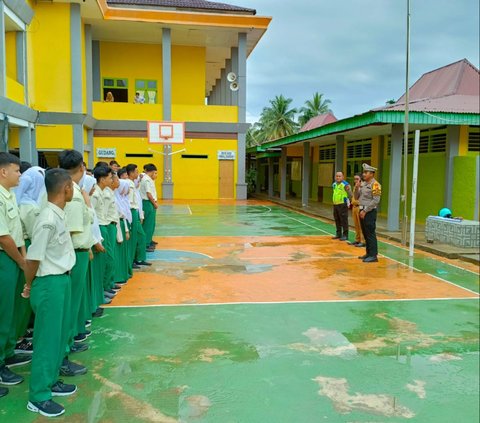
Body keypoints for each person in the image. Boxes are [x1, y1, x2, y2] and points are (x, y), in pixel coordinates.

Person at [24, 168, 77, 417]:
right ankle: (39, 395)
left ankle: (52, 380)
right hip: (48, 284)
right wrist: (28, 284)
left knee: (57, 336)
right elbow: (33, 259)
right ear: (65, 188)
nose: (73, 190)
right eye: (72, 186)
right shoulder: (47, 218)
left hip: (61, 281)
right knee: (46, 341)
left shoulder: (57, 214)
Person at [59, 150, 95, 360]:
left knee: (71, 302)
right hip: (73, 255)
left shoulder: (67, 188)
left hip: (77, 251)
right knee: (70, 304)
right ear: (81, 167)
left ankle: (69, 342)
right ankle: (65, 348)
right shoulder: (71, 192)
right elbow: (71, 231)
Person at [0, 153, 26, 397]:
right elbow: (3, 236)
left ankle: (7, 353)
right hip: (4, 258)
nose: (20, 175)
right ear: (3, 172)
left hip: (14, 257)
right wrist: (20, 260)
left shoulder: (10, 195)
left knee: (12, 309)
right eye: (17, 170)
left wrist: (23, 257)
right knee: (2, 311)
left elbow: (16, 231)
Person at [91, 166, 115, 304]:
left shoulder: (103, 191)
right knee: (103, 260)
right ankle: (102, 290)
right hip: (99, 227)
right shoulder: (95, 194)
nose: (111, 180)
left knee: (108, 259)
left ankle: (105, 288)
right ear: (102, 178)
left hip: (104, 225)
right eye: (109, 177)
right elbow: (92, 216)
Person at [126, 164, 150, 268]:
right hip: (132, 212)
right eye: (136, 171)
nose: (138, 173)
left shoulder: (133, 184)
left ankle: (139, 258)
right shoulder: (129, 185)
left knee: (140, 236)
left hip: (136, 212)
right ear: (131, 173)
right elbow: (130, 202)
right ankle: (134, 260)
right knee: (135, 238)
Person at [358, 163, 382, 263]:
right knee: (365, 233)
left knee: (370, 233)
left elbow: (376, 200)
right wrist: (357, 187)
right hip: (361, 210)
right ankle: (368, 253)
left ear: (372, 174)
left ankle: (373, 255)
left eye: (366, 172)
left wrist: (365, 210)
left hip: (369, 212)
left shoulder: (375, 185)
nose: (364, 174)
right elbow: (357, 196)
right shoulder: (364, 184)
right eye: (364, 172)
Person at [140, 164, 158, 252]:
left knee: (151, 224)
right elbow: (148, 194)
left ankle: (149, 240)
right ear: (151, 171)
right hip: (147, 202)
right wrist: (154, 203)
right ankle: (146, 244)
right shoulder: (146, 179)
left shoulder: (149, 179)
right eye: (155, 172)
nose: (156, 175)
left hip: (150, 202)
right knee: (147, 225)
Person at [331, 171, 352, 241]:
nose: (338, 177)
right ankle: (338, 234)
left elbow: (350, 194)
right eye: (337, 176)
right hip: (335, 204)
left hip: (343, 204)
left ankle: (345, 235)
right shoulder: (334, 184)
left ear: (343, 177)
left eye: (339, 176)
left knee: (344, 220)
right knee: (337, 219)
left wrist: (348, 202)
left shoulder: (345, 185)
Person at [348, 173, 365, 248]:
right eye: (354, 179)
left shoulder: (363, 187)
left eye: (357, 179)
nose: (355, 180)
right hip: (354, 207)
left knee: (361, 225)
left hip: (359, 207)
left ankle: (363, 241)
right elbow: (354, 196)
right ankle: (357, 239)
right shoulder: (355, 186)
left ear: (361, 179)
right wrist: (349, 191)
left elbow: (360, 198)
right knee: (356, 225)